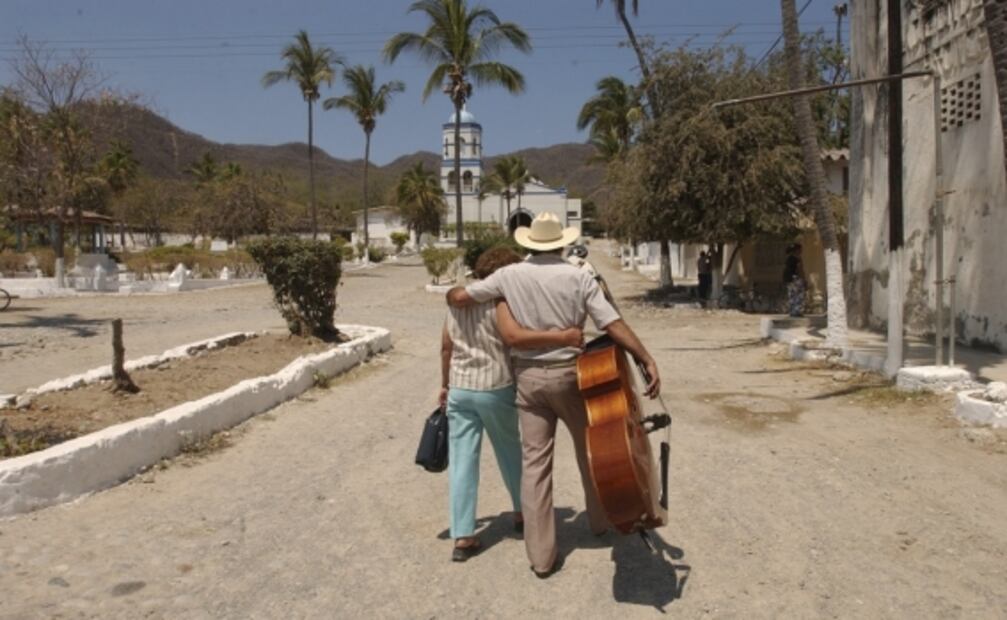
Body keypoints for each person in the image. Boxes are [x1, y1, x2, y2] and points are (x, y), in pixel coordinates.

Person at [446, 212, 661, 578]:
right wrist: (645, 357)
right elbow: (610, 323)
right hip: (572, 377)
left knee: (535, 467)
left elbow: (461, 296)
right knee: (591, 450)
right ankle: (599, 522)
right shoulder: (579, 277)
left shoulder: (508, 276)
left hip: (529, 380)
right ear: (562, 242)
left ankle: (541, 557)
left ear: (528, 243)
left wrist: (452, 293)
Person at [439, 246, 582, 563]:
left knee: (463, 461)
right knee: (511, 453)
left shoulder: (456, 304)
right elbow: (514, 338)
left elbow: (446, 347)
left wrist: (445, 385)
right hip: (496, 385)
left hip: (461, 388)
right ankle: (521, 514)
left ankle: (463, 535)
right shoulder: (501, 301)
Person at [783, 243, 805, 317]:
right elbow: (800, 269)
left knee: (791, 295)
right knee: (799, 295)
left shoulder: (788, 258)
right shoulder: (797, 258)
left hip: (789, 279)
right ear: (797, 250)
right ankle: (797, 311)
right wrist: (803, 279)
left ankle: (792, 311)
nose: (801, 251)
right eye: (800, 249)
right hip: (796, 279)